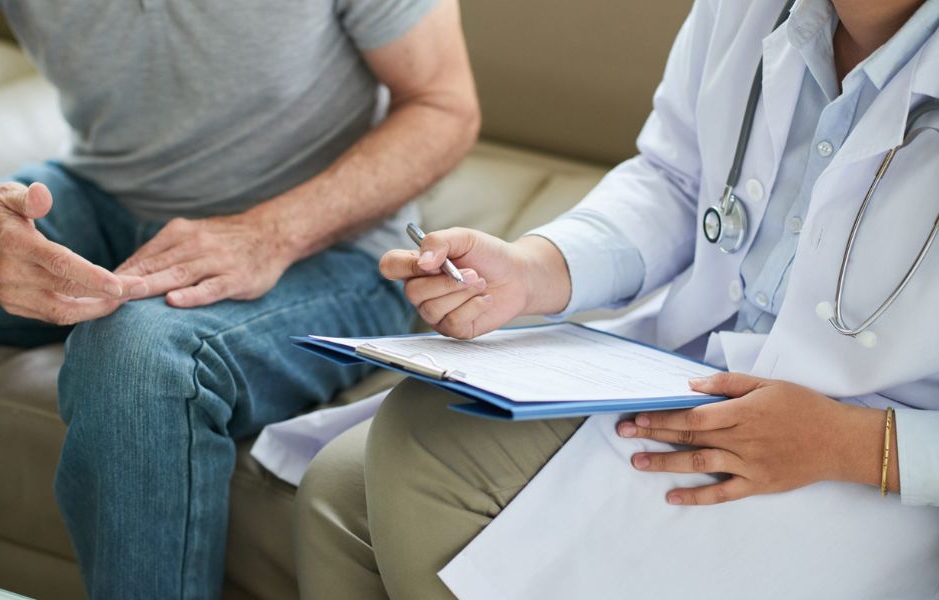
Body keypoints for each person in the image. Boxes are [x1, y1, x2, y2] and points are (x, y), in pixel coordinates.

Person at [294, 0, 939, 598]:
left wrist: (853, 445)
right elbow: (677, 181)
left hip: (868, 468)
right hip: (689, 381)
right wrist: (532, 270)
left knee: (424, 445)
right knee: (338, 490)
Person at [0, 0, 478, 597]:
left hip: (326, 247)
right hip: (101, 198)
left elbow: (443, 105)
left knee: (139, 357)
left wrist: (272, 233)